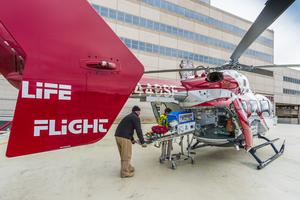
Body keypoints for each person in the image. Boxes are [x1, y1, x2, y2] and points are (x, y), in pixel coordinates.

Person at [115, 105, 147, 178]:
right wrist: (143, 142)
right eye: (139, 112)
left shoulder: (129, 116)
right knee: (126, 155)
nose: (140, 113)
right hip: (124, 137)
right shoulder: (135, 117)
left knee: (123, 154)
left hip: (118, 136)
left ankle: (128, 167)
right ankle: (124, 173)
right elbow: (138, 130)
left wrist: (132, 139)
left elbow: (129, 129)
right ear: (137, 111)